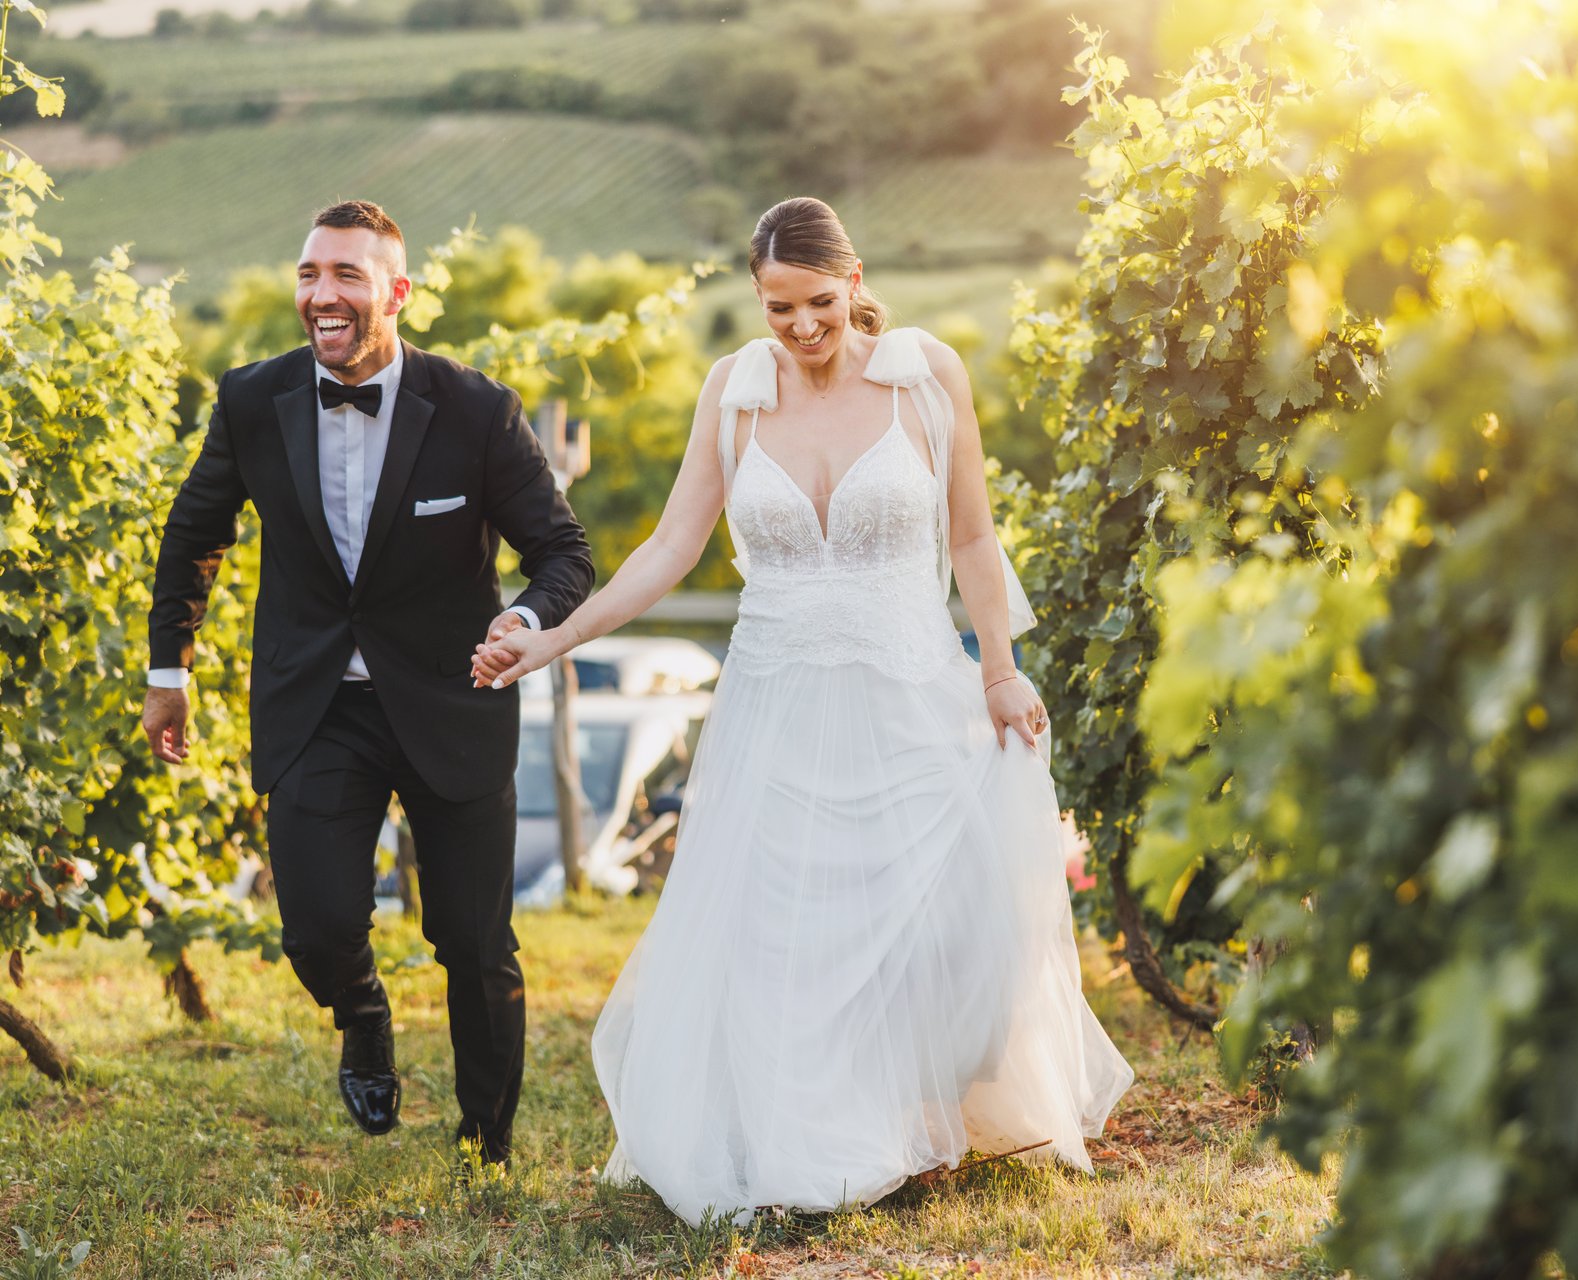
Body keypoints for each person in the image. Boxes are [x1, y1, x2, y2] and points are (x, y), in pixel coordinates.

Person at [472, 196, 1132, 1220]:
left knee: (941, 916)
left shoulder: (924, 376)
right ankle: (810, 1141)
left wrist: (998, 666)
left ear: (855, 281)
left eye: (819, 301)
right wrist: (552, 638)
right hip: (774, 703)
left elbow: (971, 537)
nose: (802, 325)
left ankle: (914, 1112)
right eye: (778, 306)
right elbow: (670, 547)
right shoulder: (735, 394)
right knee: (785, 930)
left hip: (908, 689)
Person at [143, 199, 596, 1167]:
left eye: (347, 274)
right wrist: (168, 668)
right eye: (310, 274)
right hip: (318, 705)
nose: (323, 294)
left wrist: (521, 620)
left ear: (397, 292)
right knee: (314, 924)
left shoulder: (478, 409)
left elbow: (563, 550)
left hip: (453, 697)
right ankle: (363, 1013)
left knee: (474, 944)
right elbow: (195, 535)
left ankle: (487, 1143)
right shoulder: (251, 400)